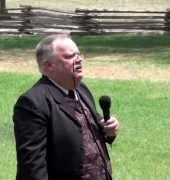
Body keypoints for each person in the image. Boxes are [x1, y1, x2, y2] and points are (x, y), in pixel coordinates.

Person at [13, 34, 120, 180]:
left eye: (78, 55)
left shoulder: (81, 89)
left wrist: (108, 128)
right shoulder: (33, 103)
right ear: (48, 66)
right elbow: (32, 166)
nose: (79, 60)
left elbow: (85, 130)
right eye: (70, 57)